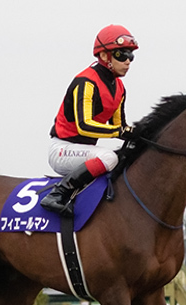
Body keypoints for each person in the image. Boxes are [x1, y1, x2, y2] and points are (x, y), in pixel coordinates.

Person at [41, 24, 138, 216]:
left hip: (84, 151)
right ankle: (58, 194)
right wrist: (119, 132)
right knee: (109, 157)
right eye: (121, 55)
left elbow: (120, 126)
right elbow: (84, 126)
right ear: (104, 56)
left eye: (130, 56)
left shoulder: (119, 88)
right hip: (63, 149)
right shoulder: (86, 82)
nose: (128, 61)